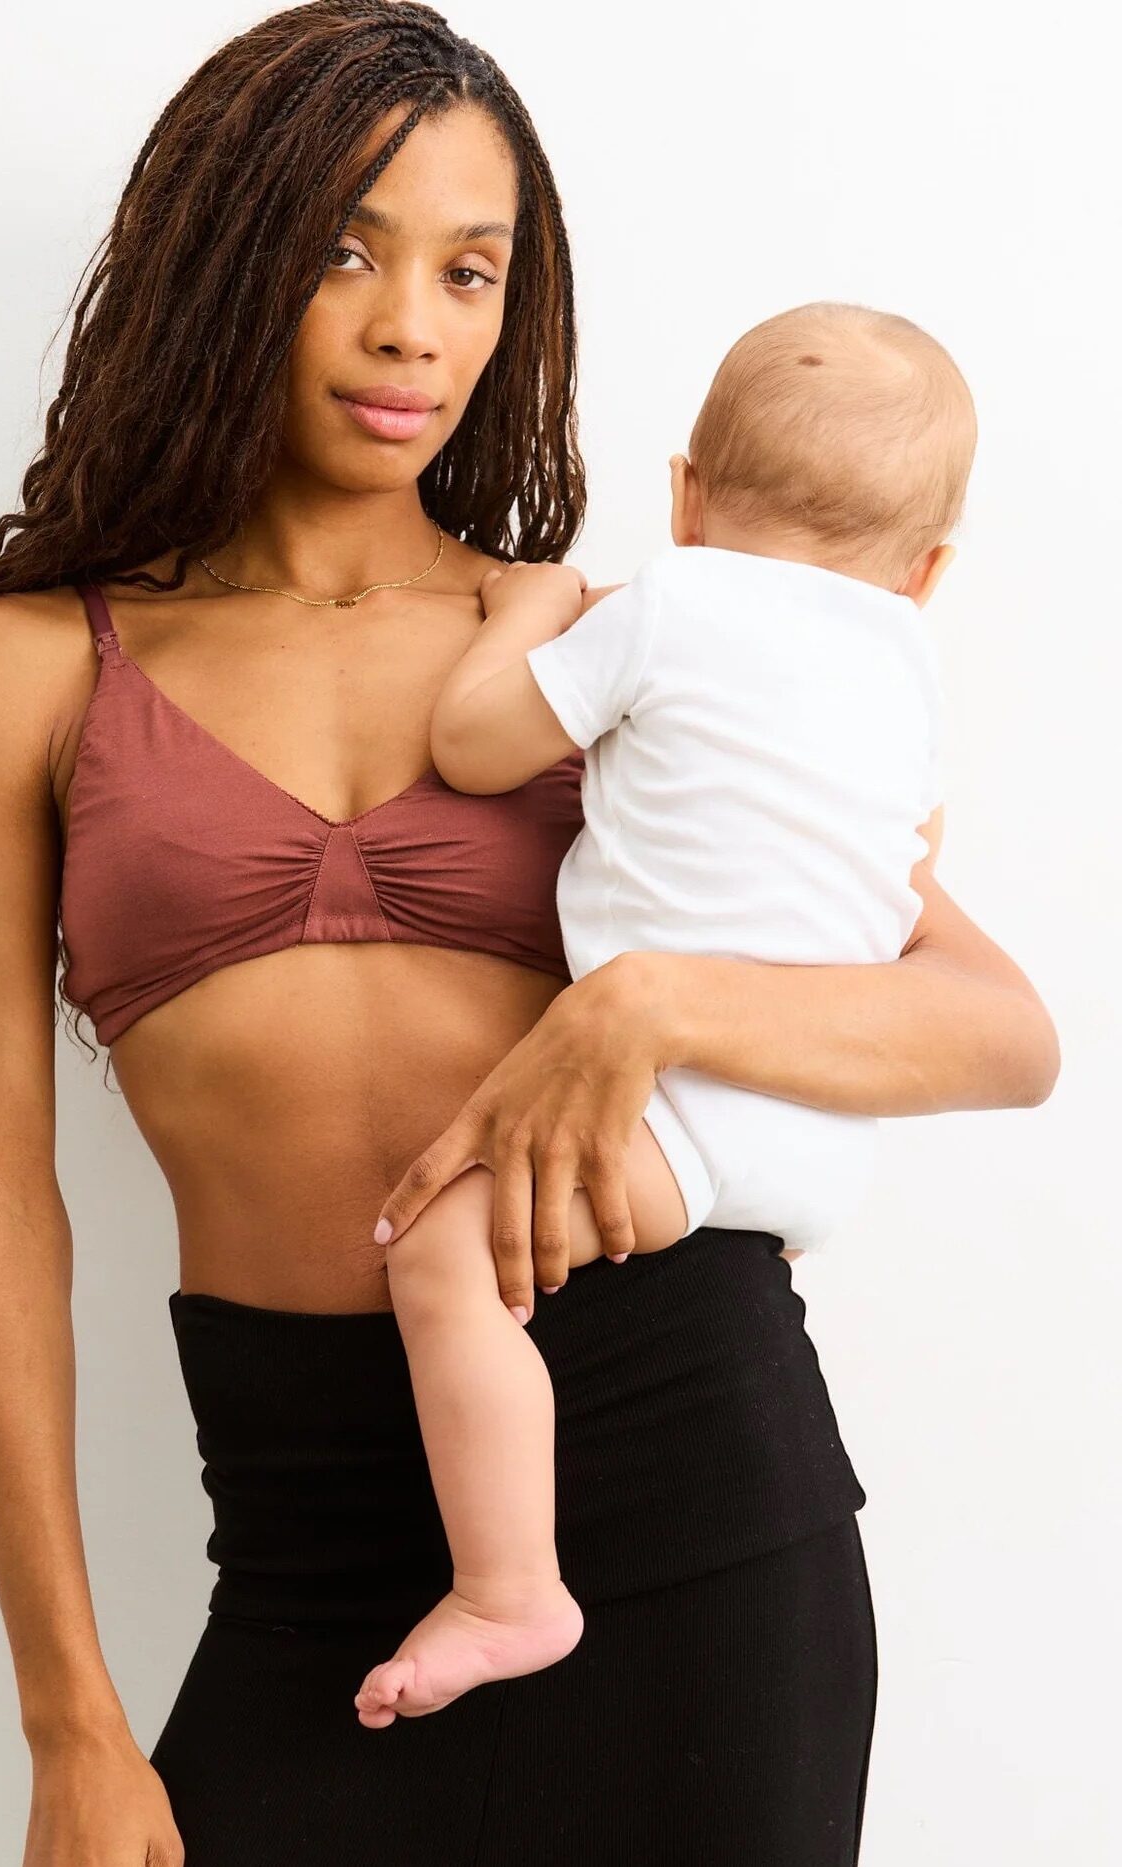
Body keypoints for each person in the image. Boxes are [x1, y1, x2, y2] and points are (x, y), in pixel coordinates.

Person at [0, 6, 1058, 1863]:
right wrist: (70, 1717)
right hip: (304, 1543)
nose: (412, 321)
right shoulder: (26, 667)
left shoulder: (597, 638)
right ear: (223, 257)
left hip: (684, 1487)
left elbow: (994, 1031)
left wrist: (647, 1005)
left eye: (471, 268)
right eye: (344, 246)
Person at [353, 300, 984, 1728]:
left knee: (440, 1253)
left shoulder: (673, 604)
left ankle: (510, 1585)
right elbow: (911, 871)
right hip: (817, 1121)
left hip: (677, 1117)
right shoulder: (912, 673)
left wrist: (530, 613)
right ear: (931, 570)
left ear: (686, 495)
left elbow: (471, 746)